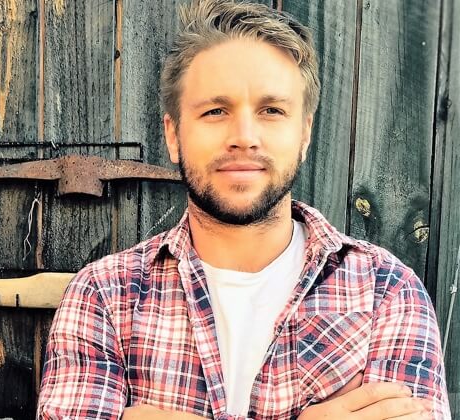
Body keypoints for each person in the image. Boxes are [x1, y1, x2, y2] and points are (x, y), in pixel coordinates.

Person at [36, 0, 451, 418]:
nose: (245, 136)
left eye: (272, 111)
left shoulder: (386, 292)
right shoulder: (105, 295)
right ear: (174, 135)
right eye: (216, 111)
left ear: (304, 134)